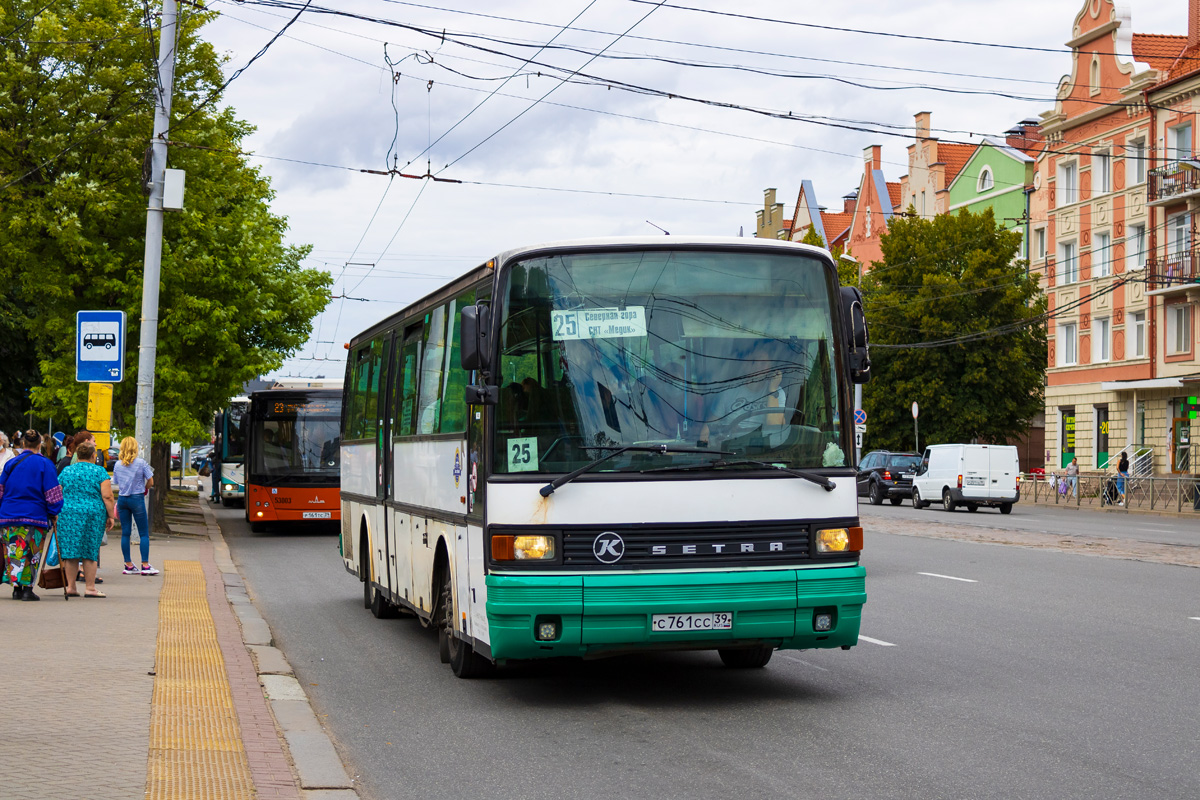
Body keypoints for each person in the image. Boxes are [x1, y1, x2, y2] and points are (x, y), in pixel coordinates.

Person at [0, 430, 64, 601]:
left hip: (8, 515)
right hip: (34, 516)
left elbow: (1, 490)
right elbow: (52, 493)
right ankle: (28, 589)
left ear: (23, 444)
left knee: (13, 551)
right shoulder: (45, 464)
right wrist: (54, 511)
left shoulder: (11, 463)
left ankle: (16, 587)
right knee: (32, 553)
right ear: (39, 445)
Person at [56, 441, 115, 597]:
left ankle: (71, 587)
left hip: (68, 514)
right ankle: (90, 588)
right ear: (93, 455)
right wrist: (111, 516)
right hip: (93, 515)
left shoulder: (67, 471)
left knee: (70, 551)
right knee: (90, 551)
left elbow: (57, 493)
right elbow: (107, 496)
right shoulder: (100, 472)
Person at [112, 436, 158, 576]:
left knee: (125, 532)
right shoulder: (141, 463)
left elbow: (116, 481)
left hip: (122, 499)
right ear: (135, 448)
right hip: (137, 498)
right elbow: (151, 481)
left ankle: (128, 565)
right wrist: (144, 489)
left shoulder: (117, 465)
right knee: (143, 533)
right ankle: (145, 565)